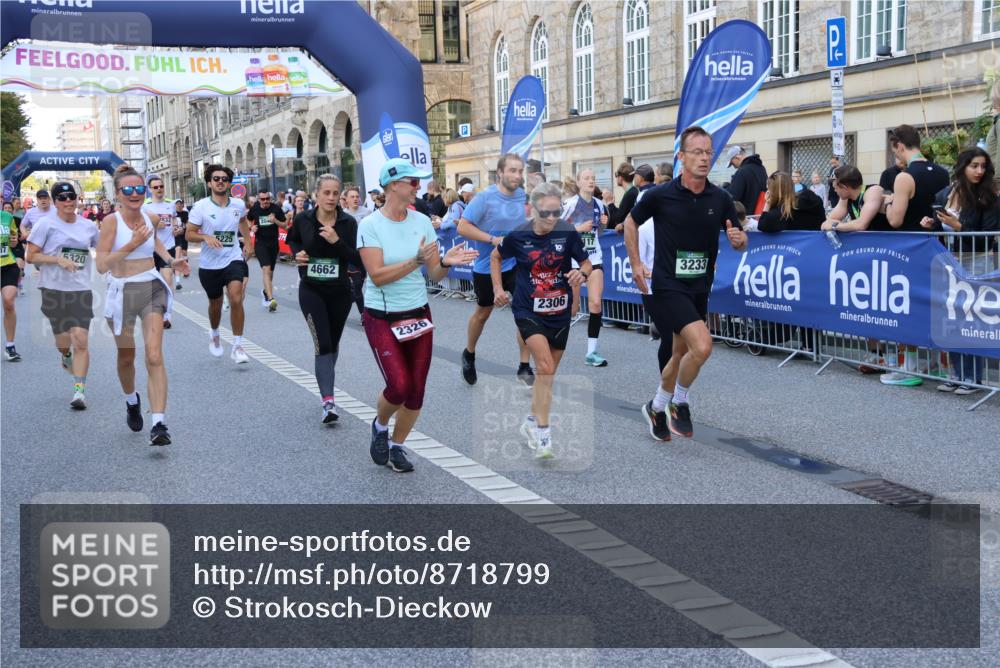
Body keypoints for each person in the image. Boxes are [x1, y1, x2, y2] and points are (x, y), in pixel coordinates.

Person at [625, 125, 747, 441]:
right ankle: (679, 402)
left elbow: (739, 238)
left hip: (699, 286)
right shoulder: (660, 195)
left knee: (680, 353)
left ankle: (656, 406)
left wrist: (739, 239)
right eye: (697, 152)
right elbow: (630, 222)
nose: (704, 158)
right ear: (681, 157)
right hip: (667, 284)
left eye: (708, 153)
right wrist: (636, 263)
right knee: (702, 346)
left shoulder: (720, 197)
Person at [358, 158, 478, 472]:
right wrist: (415, 261)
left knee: (416, 392)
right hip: (382, 315)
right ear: (392, 185)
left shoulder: (422, 221)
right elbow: (378, 276)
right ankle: (380, 425)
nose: (418, 187)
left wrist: (447, 261)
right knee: (398, 385)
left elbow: (435, 274)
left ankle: (397, 447)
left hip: (417, 313)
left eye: (419, 182)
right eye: (412, 182)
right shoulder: (370, 225)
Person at [492, 182, 591, 460]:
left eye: (556, 212)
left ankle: (531, 423)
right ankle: (544, 437)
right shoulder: (519, 235)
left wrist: (581, 275)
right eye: (545, 213)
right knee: (544, 366)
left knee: (548, 374)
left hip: (558, 311)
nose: (551, 219)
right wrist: (499, 289)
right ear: (532, 210)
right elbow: (495, 256)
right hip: (528, 309)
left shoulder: (566, 231)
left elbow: (586, 263)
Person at [96, 167, 187, 443]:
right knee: (126, 356)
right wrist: (131, 244)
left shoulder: (150, 216)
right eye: (128, 190)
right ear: (117, 194)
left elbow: (156, 241)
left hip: (150, 287)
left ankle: (159, 423)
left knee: (154, 355)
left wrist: (171, 261)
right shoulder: (111, 222)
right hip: (121, 291)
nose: (135, 194)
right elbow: (101, 265)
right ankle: (131, 401)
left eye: (139, 190)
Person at [920, 147, 998, 395]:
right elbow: (940, 228)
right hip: (949, 261)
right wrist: (931, 224)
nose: (979, 171)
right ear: (962, 166)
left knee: (972, 318)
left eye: (983, 166)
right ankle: (956, 374)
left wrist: (958, 226)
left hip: (978, 261)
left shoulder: (989, 196)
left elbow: (986, 238)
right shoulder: (946, 193)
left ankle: (973, 377)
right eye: (974, 165)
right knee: (952, 317)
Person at [878, 125, 951, 386]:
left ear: (899, 145)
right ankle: (937, 364)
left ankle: (908, 367)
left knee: (905, 306)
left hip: (908, 250)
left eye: (894, 150)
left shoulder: (904, 177)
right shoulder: (943, 173)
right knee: (935, 306)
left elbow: (896, 220)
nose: (895, 157)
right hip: (937, 248)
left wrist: (886, 203)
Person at [287, 174, 361, 424]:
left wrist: (337, 241)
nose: (331, 198)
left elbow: (357, 258)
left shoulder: (348, 223)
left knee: (333, 343)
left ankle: (326, 382)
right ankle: (328, 402)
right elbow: (293, 241)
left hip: (340, 291)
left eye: (335, 193)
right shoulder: (302, 219)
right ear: (316, 194)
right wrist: (298, 255)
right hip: (311, 290)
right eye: (326, 193)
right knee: (323, 344)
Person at [457, 153, 534, 386]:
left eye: (520, 171)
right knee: (483, 313)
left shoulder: (523, 197)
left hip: (516, 264)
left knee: (525, 312)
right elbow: (462, 226)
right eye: (512, 170)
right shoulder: (484, 198)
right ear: (500, 172)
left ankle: (524, 366)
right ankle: (469, 353)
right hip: (487, 265)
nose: (517, 175)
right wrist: (492, 239)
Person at [23, 182, 100, 403]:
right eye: (62, 197)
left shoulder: (88, 226)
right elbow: (31, 256)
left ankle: (79, 390)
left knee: (81, 339)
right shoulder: (45, 225)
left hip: (80, 289)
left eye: (71, 197)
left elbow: (104, 248)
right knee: (63, 343)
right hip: (53, 289)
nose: (68, 201)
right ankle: (66, 355)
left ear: (77, 199)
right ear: (55, 201)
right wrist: (58, 259)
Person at [186, 163, 251, 364]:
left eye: (224, 179)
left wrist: (247, 242)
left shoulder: (238, 204)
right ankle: (214, 333)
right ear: (209, 183)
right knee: (216, 304)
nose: (220, 182)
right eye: (216, 179)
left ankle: (238, 345)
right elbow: (189, 234)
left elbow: (242, 222)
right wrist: (205, 237)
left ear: (229, 183)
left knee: (236, 298)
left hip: (232, 258)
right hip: (209, 263)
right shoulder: (201, 207)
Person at [562, 168, 610, 367]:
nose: (591, 181)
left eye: (593, 178)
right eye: (586, 178)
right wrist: (578, 229)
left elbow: (598, 232)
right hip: (573, 261)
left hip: (594, 258)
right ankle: (552, 342)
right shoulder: (570, 204)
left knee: (596, 303)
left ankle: (591, 352)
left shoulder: (600, 204)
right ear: (579, 183)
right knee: (572, 310)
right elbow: (555, 227)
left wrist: (603, 225)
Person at [141, 174, 178, 329]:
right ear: (150, 190)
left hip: (168, 246)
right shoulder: (145, 206)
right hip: (151, 248)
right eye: (155, 187)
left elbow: (174, 219)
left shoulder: (171, 204)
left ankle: (167, 315)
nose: (159, 189)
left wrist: (176, 227)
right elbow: (141, 225)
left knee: (168, 279)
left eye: (161, 186)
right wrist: (155, 225)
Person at [247, 189, 288, 312]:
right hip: (260, 243)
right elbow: (248, 219)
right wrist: (251, 226)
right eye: (262, 199)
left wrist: (275, 221)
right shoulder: (255, 209)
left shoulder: (276, 208)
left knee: (270, 271)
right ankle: (271, 299)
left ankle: (265, 291)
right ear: (259, 199)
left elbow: (285, 225)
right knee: (266, 268)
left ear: (270, 198)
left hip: (273, 243)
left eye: (267, 199)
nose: (265, 201)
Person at [756, 171, 825, 232]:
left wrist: (767, 203)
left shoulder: (781, 211)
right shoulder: (812, 199)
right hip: (818, 244)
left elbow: (762, 225)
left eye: (769, 189)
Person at [1, 204, 21, 362]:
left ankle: (10, 346)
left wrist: (13, 241)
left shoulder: (7, 217)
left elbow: (13, 241)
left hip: (7, 264)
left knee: (8, 302)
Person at [725, 146, 767, 214]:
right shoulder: (761, 168)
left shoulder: (742, 171)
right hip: (759, 214)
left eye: (732, 163)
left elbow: (733, 197)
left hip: (746, 217)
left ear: (737, 157)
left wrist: (726, 188)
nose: (734, 167)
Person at [607, 162, 638, 229]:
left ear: (620, 178)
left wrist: (609, 203)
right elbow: (622, 213)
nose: (616, 178)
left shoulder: (630, 194)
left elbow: (618, 220)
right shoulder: (633, 191)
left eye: (616, 176)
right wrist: (612, 205)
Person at [172, 198, 189, 288]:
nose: (179, 205)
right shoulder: (171, 214)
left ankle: (185, 267)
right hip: (174, 237)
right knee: (176, 256)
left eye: (180, 204)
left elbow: (187, 224)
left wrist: (183, 229)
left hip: (183, 235)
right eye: (177, 204)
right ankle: (177, 281)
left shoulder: (185, 213)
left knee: (184, 252)